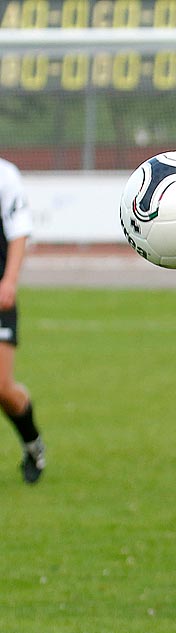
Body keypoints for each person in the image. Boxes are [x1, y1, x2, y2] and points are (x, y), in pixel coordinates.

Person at [0, 155, 45, 484]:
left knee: (2, 388)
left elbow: (18, 231)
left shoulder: (4, 175)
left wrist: (10, 281)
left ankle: (33, 445)